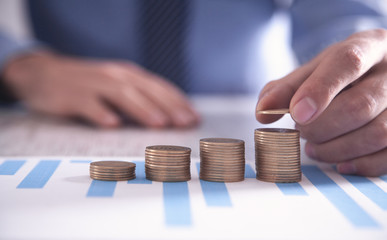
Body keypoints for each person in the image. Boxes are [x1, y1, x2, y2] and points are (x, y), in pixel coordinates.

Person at [0, 0, 386, 177]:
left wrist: (357, 72)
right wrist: (19, 64)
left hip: (238, 107)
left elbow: (344, 13)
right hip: (67, 115)